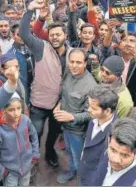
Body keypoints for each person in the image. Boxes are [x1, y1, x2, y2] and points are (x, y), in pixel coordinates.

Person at [19, 0, 69, 168]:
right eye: (52, 34)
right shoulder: (41, 47)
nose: (54, 37)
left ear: (65, 36)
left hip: (60, 105)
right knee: (36, 132)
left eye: (58, 34)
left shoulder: (73, 54)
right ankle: (33, 156)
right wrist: (30, 10)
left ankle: (49, 151)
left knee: (54, 132)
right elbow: (24, 34)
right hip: (39, 103)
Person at [54, 48, 97, 184]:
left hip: (78, 132)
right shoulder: (68, 73)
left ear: (85, 64)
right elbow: (65, 95)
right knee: (69, 152)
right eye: (71, 61)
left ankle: (82, 181)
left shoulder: (91, 85)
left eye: (78, 62)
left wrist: (72, 117)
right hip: (65, 127)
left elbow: (91, 114)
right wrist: (58, 105)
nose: (74, 65)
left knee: (79, 160)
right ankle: (71, 172)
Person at [0, 95, 40, 186]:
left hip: (27, 167)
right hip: (10, 173)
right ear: (4, 110)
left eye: (19, 108)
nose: (16, 113)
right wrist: (2, 170)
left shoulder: (25, 120)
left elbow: (34, 136)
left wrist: (35, 154)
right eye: (11, 110)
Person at [91, 118, 136, 186]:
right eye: (113, 150)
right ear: (109, 141)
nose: (115, 160)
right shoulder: (107, 150)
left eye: (124, 155)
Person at [78, 85, 118, 186]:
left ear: (107, 110)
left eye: (94, 108)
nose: (89, 110)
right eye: (89, 106)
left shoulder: (115, 134)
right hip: (85, 171)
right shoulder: (94, 120)